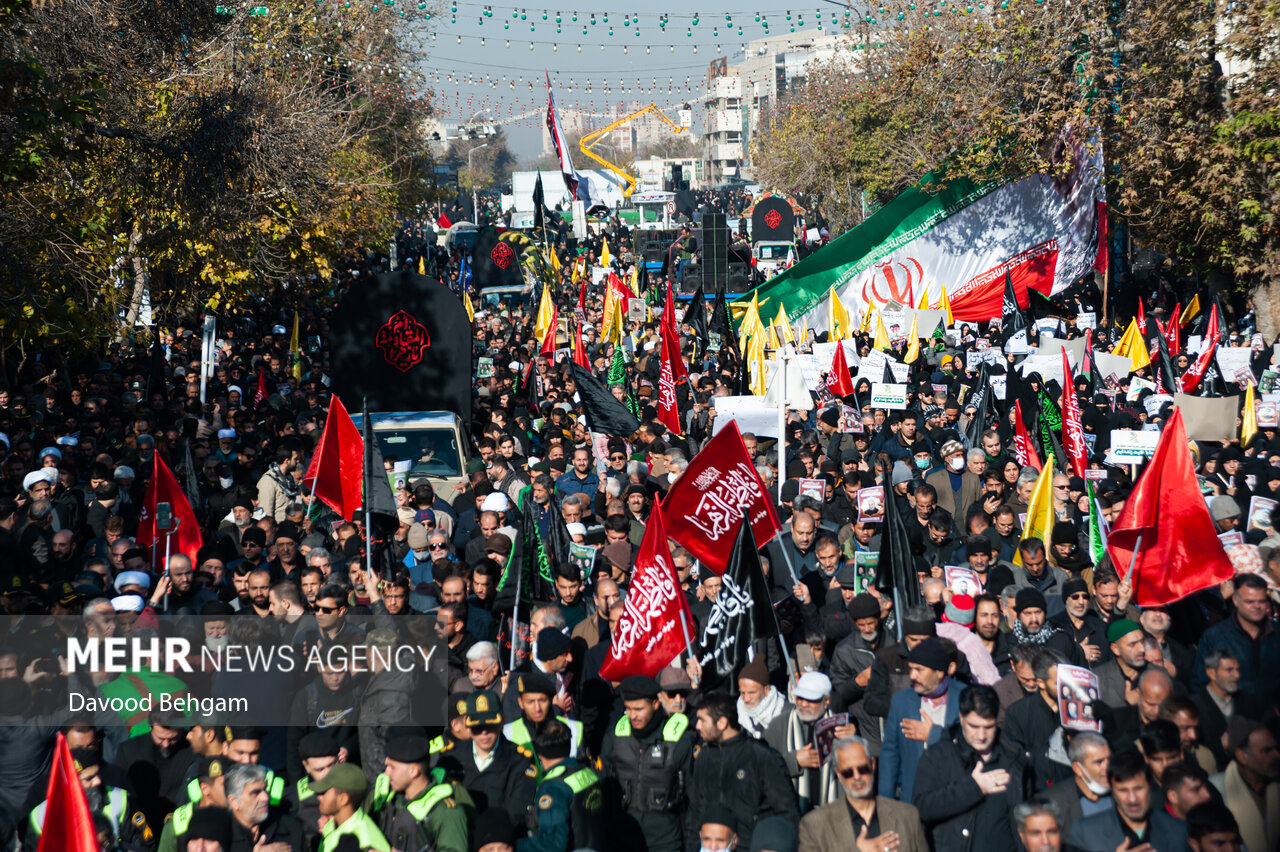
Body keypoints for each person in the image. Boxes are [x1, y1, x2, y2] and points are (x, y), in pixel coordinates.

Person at [912, 685, 1029, 852]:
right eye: (974, 726)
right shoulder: (939, 755)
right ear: (961, 718)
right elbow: (922, 808)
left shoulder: (1014, 756)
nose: (981, 736)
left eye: (988, 727)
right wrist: (974, 788)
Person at [685, 692, 799, 851]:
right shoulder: (704, 758)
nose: (697, 726)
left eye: (702, 720)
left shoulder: (761, 756)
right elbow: (696, 812)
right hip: (714, 846)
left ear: (722, 723)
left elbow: (787, 813)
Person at [599, 675, 695, 852]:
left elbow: (694, 799)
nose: (632, 715)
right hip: (621, 840)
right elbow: (602, 787)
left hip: (666, 842)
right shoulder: (614, 738)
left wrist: (691, 846)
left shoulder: (680, 741)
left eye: (638, 709)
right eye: (627, 709)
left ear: (656, 703)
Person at [797, 736, 929, 852]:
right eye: (848, 772)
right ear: (839, 774)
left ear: (872, 765)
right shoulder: (815, 826)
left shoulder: (908, 816)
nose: (857, 777)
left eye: (862, 769)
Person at [433, 689, 536, 830]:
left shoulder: (520, 761)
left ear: (502, 722)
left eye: (490, 725)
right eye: (477, 727)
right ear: (468, 725)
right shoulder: (450, 758)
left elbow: (517, 811)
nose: (484, 732)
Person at [880, 637, 967, 802]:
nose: (912, 676)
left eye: (919, 670)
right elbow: (890, 754)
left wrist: (934, 735)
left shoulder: (965, 698)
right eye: (911, 669)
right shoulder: (901, 701)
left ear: (940, 672)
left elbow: (971, 746)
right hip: (913, 800)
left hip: (954, 797)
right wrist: (886, 805)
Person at [1064, 750, 1187, 852]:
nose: (1132, 799)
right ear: (1112, 790)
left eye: (1138, 789)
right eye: (1123, 790)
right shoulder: (1084, 832)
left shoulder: (1178, 831)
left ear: (1150, 786)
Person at [367, 734, 469, 852]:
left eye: (392, 767)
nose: (386, 773)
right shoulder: (390, 800)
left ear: (414, 771)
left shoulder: (445, 811)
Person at [519, 718, 604, 852]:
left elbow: (553, 843)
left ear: (540, 754)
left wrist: (517, 846)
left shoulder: (553, 787)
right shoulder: (589, 773)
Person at [1208, 719, 1280, 852]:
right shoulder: (1216, 789)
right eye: (1266, 751)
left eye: (1276, 748)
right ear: (1242, 756)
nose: (1276, 755)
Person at [1039, 731, 1112, 837]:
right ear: (1078, 768)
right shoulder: (1051, 804)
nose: (1107, 768)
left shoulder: (1121, 793)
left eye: (1109, 760)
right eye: (1099, 762)